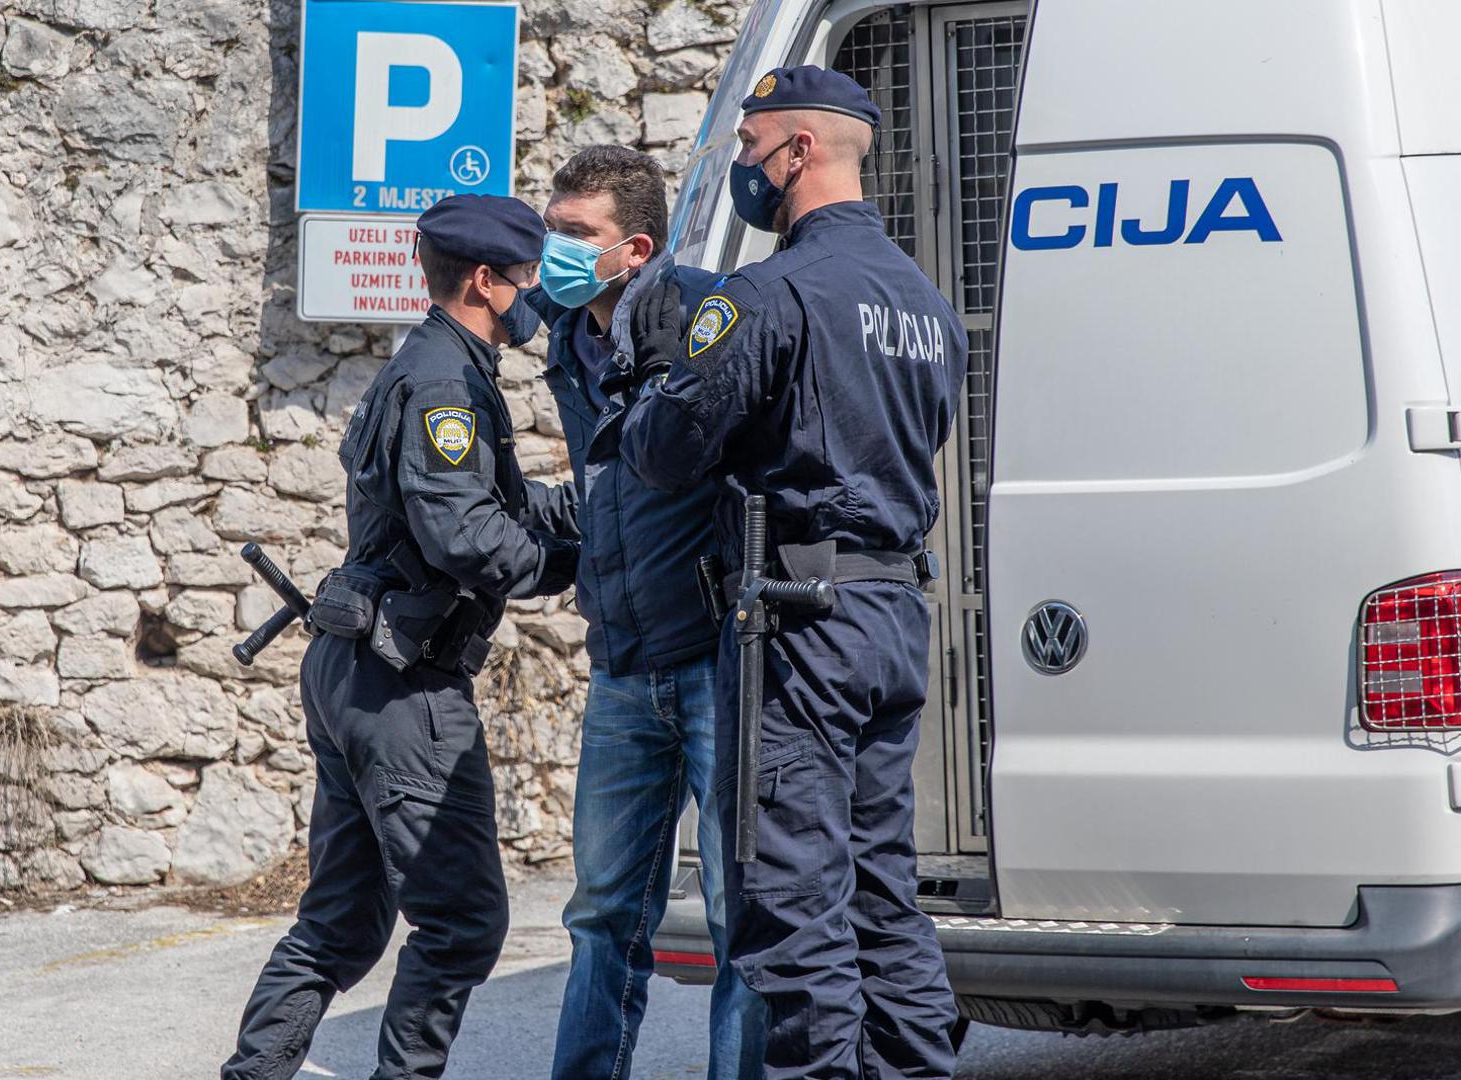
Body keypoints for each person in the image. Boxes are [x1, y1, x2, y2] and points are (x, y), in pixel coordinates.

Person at [619, 67, 970, 1080]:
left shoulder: (768, 294)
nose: (740, 167)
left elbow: (668, 452)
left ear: (798, 152)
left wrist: (645, 381)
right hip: (890, 612)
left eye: (746, 146)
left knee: (793, 900)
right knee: (878, 890)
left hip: (800, 625)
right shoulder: (924, 302)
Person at [221, 194, 581, 1080]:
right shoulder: (444, 384)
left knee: (340, 923)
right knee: (462, 924)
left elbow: (487, 499)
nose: (540, 292)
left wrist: (590, 508)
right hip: (402, 688)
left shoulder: (434, 364)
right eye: (530, 275)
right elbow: (464, 535)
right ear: (486, 282)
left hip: (353, 672)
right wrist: (576, 564)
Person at [526, 145, 765, 1080]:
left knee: (740, 911)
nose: (554, 250)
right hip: (621, 665)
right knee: (600, 911)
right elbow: (606, 493)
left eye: (575, 235)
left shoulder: (708, 314)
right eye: (551, 230)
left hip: (714, 659)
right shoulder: (569, 337)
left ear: (635, 248)